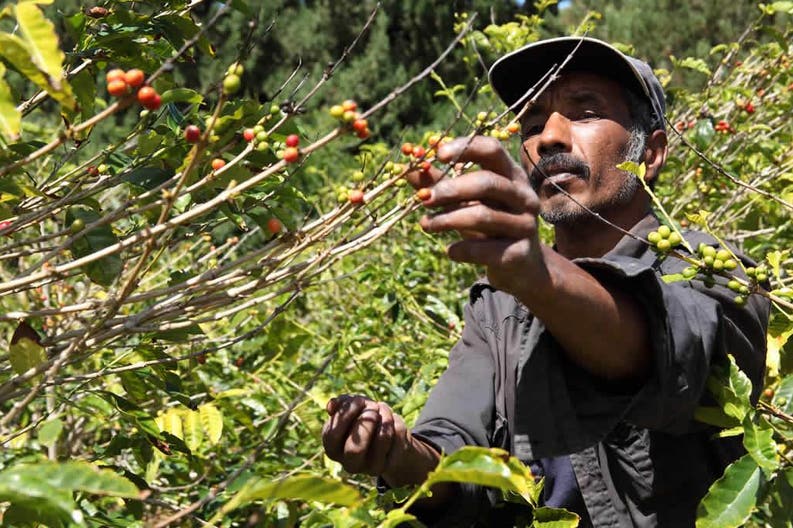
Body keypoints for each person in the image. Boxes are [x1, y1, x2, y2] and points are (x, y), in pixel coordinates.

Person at [321, 37, 770, 527]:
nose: (548, 138)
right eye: (532, 124)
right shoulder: (497, 310)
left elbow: (661, 349)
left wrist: (537, 273)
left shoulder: (711, 270)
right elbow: (454, 455)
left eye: (585, 112)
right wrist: (397, 452)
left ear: (653, 154)